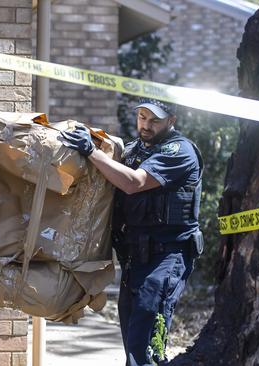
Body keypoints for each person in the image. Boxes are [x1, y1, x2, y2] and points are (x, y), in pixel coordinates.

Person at [60, 98, 204, 366]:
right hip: (135, 258)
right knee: (132, 339)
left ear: (172, 120)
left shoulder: (178, 151)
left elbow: (133, 183)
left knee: (146, 340)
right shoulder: (135, 149)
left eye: (154, 120)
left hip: (167, 256)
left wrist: (92, 151)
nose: (146, 125)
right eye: (142, 117)